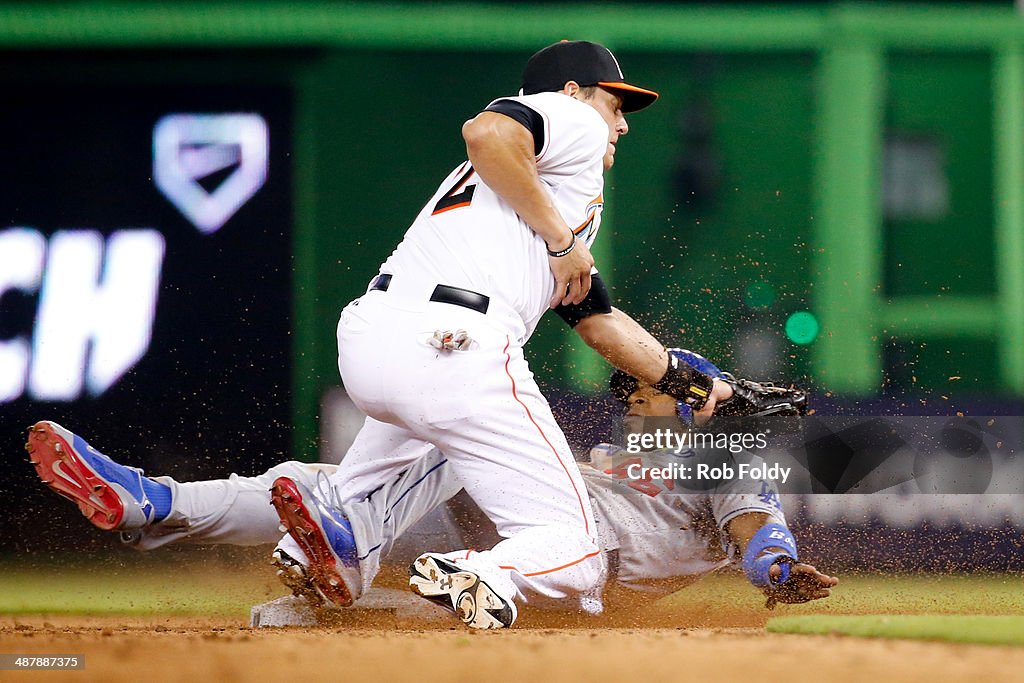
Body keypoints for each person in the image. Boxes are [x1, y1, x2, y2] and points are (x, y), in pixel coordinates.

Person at [268, 40, 804, 629]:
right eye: (616, 104)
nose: (623, 125)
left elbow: (599, 323)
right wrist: (561, 239)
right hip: (458, 343)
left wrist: (701, 388)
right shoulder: (569, 119)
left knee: (404, 474)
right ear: (572, 92)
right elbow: (487, 132)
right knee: (573, 549)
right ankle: (486, 573)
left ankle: (327, 547)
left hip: (376, 338)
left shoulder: (535, 187)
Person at [27, 350, 832, 619]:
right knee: (321, 483)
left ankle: (339, 575)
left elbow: (757, 529)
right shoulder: (618, 454)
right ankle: (152, 499)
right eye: (629, 391)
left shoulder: (719, 459)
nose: (633, 398)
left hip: (576, 558)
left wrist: (778, 570)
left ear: (692, 404)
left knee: (456, 429)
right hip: (531, 539)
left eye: (648, 390)